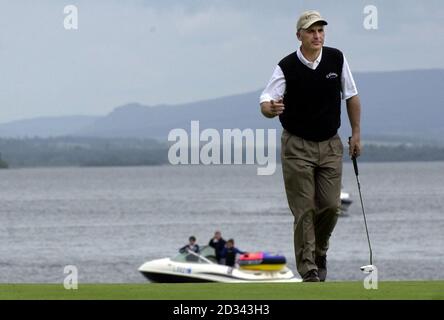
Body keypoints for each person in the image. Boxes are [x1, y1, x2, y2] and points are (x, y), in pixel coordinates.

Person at [259, 10, 362, 282]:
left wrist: (356, 134)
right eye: (311, 31)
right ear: (299, 36)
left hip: (330, 144)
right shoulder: (286, 66)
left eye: (320, 30)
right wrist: (270, 109)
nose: (317, 36)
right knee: (304, 209)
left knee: (329, 206)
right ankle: (309, 270)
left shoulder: (336, 58)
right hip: (297, 146)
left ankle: (320, 250)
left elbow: (351, 95)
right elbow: (266, 101)